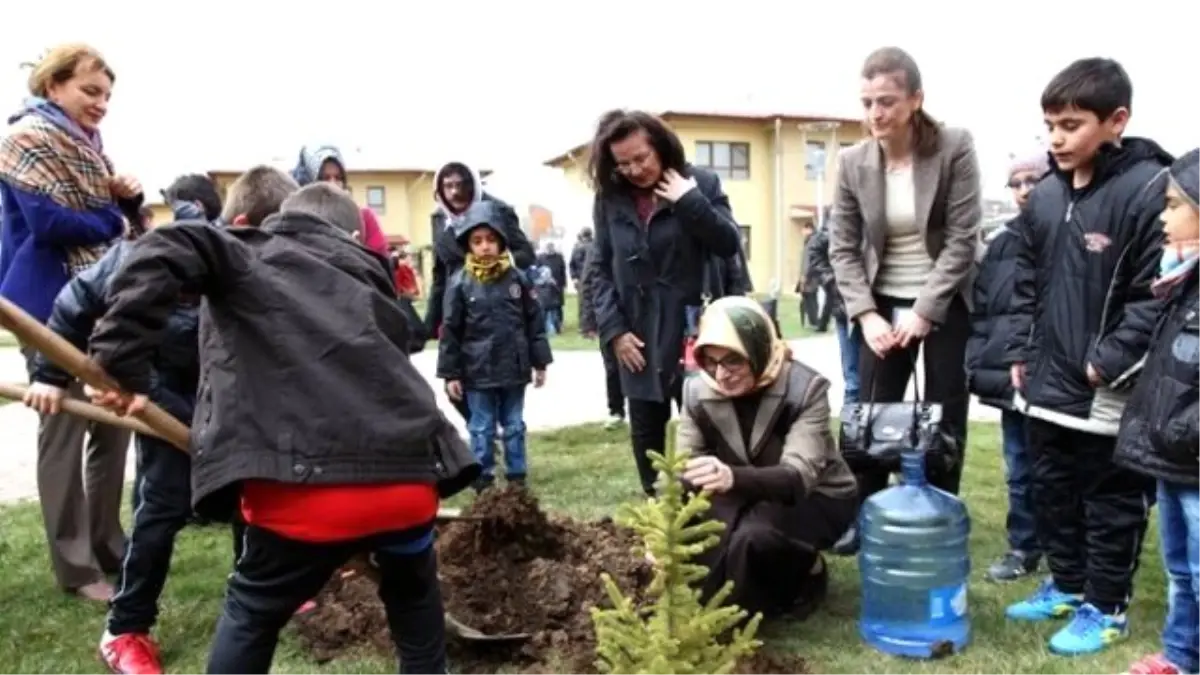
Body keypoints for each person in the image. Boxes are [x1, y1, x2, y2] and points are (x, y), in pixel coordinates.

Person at [86, 174, 477, 674]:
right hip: (408, 486)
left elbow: (171, 241)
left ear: (279, 222)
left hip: (304, 496)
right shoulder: (374, 283)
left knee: (252, 612)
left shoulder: (252, 252)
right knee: (415, 606)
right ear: (354, 239)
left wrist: (120, 361)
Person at [1003, 57, 1169, 657]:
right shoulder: (1043, 195)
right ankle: (1068, 584)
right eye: (1049, 124)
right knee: (1050, 489)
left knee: (1110, 503)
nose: (1055, 138)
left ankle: (1106, 607)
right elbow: (1025, 279)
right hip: (1043, 385)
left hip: (1105, 392)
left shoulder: (1150, 190)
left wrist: (1108, 363)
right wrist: (1022, 347)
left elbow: (1156, 294)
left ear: (1116, 120)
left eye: (1071, 124)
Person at [24, 173, 221, 674]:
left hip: (220, 394)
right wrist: (49, 375)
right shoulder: (134, 256)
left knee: (246, 494)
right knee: (163, 503)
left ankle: (263, 590)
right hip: (153, 395)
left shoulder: (234, 261)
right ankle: (125, 629)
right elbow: (70, 308)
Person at [0, 43, 141, 602]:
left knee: (111, 425)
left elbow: (123, 228)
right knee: (62, 428)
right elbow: (50, 223)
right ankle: (77, 568)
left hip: (100, 300)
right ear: (53, 84)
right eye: (90, 90)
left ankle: (110, 545)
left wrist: (126, 203)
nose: (101, 103)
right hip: (45, 307)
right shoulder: (24, 142)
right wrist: (112, 215)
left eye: (107, 94)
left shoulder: (90, 152)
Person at [828, 47, 981, 554]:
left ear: (915, 99)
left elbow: (962, 240)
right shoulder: (851, 162)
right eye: (868, 101)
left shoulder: (954, 146)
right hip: (880, 301)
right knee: (873, 411)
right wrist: (867, 314)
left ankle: (939, 513)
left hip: (943, 297)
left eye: (888, 101)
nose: (876, 113)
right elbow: (842, 248)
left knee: (944, 409)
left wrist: (924, 312)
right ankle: (868, 512)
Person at [586, 109, 740, 496]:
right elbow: (600, 269)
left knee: (708, 428)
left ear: (660, 146)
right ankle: (658, 517)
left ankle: (712, 514)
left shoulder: (700, 183)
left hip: (695, 331)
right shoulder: (610, 200)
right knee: (646, 434)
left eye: (642, 158)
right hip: (636, 335)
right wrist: (614, 330)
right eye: (624, 164)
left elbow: (728, 242)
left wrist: (689, 201)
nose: (635, 170)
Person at [677, 296, 857, 620]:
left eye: (733, 360)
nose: (721, 374)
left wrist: (732, 477)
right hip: (740, 491)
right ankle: (733, 601)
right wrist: (663, 526)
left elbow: (798, 475)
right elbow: (683, 467)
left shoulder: (806, 389)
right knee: (713, 538)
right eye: (711, 361)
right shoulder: (695, 393)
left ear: (758, 349)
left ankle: (806, 574)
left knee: (752, 538)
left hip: (815, 495)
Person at [1116, 148, 1200, 675]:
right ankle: (1182, 653)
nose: (1164, 218)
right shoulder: (1181, 281)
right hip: (1173, 454)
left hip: (1193, 453)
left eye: (1174, 205)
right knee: (1181, 570)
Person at [966, 152, 1050, 583]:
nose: (1023, 191)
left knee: (1057, 469)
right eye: (1014, 183)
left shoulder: (1066, 234)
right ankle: (1023, 546)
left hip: (1054, 379)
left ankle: (1069, 551)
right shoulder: (999, 246)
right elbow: (982, 313)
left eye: (1032, 180)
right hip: (1009, 379)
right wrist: (978, 362)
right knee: (1018, 467)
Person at [437, 201, 553, 491]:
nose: (485, 246)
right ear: (469, 245)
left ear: (501, 241)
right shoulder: (460, 283)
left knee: (514, 426)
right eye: (478, 241)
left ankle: (517, 478)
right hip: (477, 369)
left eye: (491, 239)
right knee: (481, 427)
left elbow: (533, 322)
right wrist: (451, 374)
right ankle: (483, 479)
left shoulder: (517, 280)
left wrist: (540, 362)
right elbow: (450, 330)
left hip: (514, 366)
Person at [425, 160, 535, 422]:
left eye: (460, 185)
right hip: (458, 307)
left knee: (496, 382)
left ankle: (498, 435)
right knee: (455, 384)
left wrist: (495, 263)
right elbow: (440, 274)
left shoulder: (498, 210)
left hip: (494, 306)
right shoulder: (439, 218)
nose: (454, 193)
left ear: (472, 184)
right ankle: (483, 435)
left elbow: (525, 253)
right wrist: (430, 323)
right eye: (448, 186)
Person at [290, 143, 389, 257]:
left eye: (338, 178)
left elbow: (380, 264)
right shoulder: (297, 222)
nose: (333, 184)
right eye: (325, 178)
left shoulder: (364, 218)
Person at [580, 244, 626, 429]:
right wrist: (588, 320)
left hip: (640, 312)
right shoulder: (597, 247)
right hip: (609, 313)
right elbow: (588, 284)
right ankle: (616, 410)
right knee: (612, 368)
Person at [798, 221, 832, 332]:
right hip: (817, 273)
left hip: (813, 274)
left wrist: (804, 275)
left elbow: (808, 260)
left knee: (811, 297)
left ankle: (817, 322)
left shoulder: (813, 241)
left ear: (809, 229)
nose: (802, 232)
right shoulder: (812, 240)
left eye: (804, 229)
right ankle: (819, 322)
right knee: (822, 298)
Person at [536, 242, 567, 333]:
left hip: (557, 285)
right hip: (544, 286)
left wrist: (563, 283)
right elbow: (537, 272)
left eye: (551, 247)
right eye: (548, 247)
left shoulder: (559, 257)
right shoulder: (540, 257)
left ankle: (560, 323)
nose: (550, 249)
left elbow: (563, 270)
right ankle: (545, 325)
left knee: (558, 305)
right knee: (545, 306)